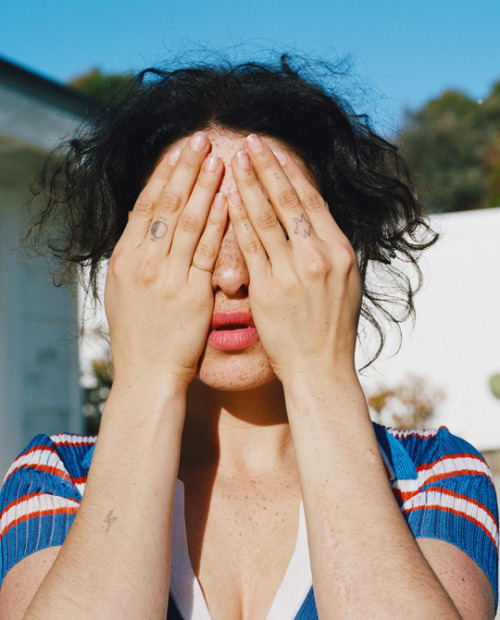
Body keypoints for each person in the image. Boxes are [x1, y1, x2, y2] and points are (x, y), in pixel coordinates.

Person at [0, 56, 497, 619]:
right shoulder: (56, 481)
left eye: (271, 230)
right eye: (195, 231)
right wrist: (146, 380)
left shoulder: (433, 478)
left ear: (336, 253)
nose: (231, 276)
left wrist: (318, 373)